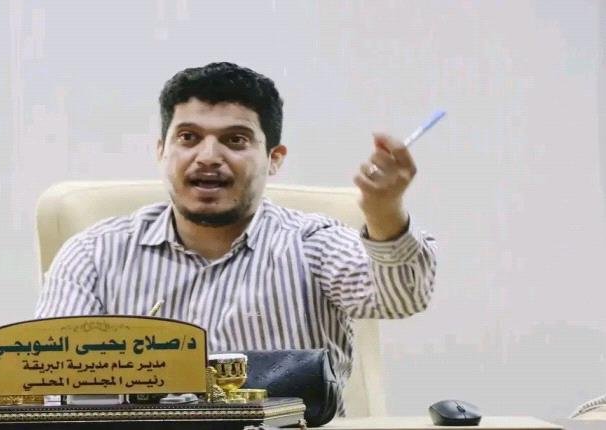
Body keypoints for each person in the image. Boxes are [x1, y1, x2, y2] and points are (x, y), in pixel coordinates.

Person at [35, 62, 437, 414]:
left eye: (235, 140)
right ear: (161, 151)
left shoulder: (313, 243)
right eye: (188, 137)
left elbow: (402, 297)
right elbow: (50, 388)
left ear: (274, 159)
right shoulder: (94, 254)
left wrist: (384, 211)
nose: (208, 156)